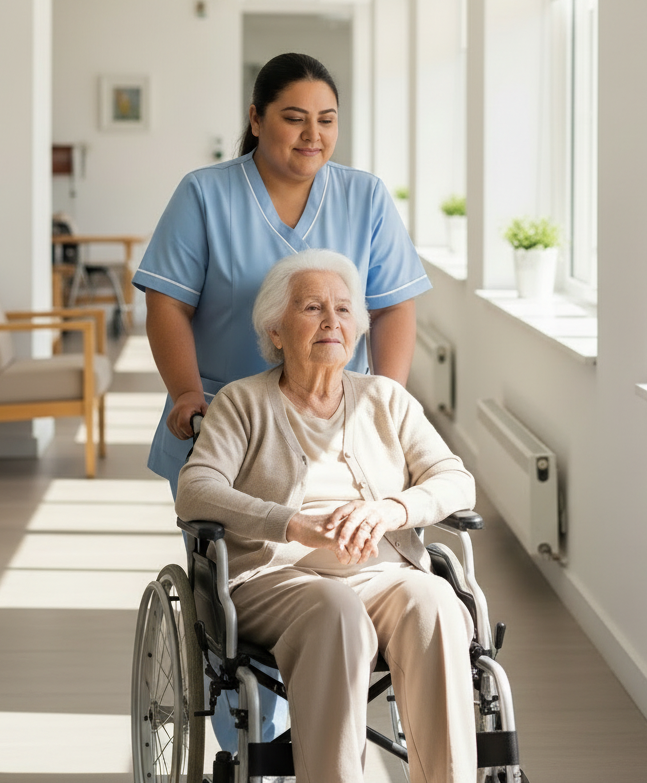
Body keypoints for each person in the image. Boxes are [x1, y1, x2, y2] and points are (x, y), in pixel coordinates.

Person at [131, 52, 431, 746]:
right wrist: (183, 393)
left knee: (345, 576)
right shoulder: (206, 193)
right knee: (240, 597)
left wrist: (386, 399)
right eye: (294, 119)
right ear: (257, 118)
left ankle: (326, 729)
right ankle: (257, 746)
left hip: (333, 422)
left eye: (326, 121)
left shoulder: (364, 196)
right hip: (227, 425)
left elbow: (393, 308)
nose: (312, 136)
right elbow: (167, 303)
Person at [176, 250, 477, 783]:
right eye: (312, 307)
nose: (332, 321)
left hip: (381, 575)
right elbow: (196, 490)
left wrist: (392, 509)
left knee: (436, 603)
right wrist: (290, 523)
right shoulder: (240, 403)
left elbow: (455, 479)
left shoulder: (387, 400)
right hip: (276, 578)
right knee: (336, 610)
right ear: (275, 329)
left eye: (344, 310)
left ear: (358, 330)